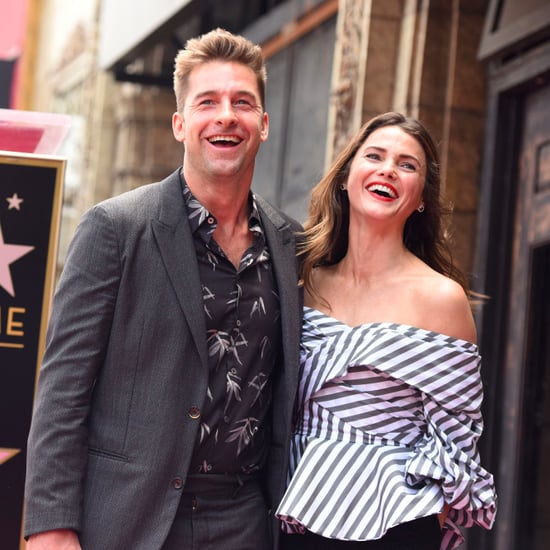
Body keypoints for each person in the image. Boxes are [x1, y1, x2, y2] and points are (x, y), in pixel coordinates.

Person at [24, 28, 302, 550]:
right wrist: (51, 526)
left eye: (243, 102)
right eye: (207, 102)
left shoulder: (291, 245)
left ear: (263, 125)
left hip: (245, 521)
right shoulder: (115, 228)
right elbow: (62, 391)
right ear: (180, 123)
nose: (226, 115)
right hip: (128, 519)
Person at [276, 112, 497, 549]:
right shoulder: (301, 283)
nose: (388, 169)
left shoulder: (441, 299)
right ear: (346, 178)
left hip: (394, 522)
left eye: (407, 165)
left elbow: (456, 444)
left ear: (421, 200)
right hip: (295, 509)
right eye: (374, 155)